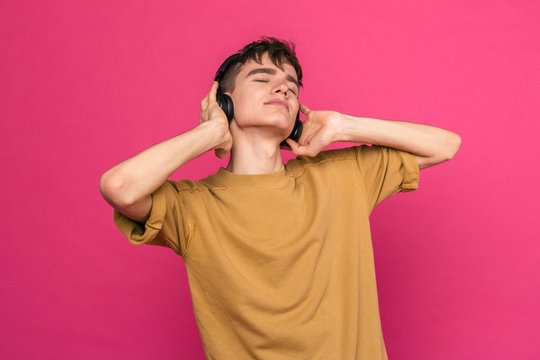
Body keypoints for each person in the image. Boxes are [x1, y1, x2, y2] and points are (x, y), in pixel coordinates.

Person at [100, 36, 461, 360]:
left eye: (291, 86)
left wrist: (344, 126)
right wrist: (209, 132)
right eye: (262, 79)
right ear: (224, 103)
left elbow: (445, 146)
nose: (283, 89)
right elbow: (120, 187)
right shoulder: (193, 207)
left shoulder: (342, 175)